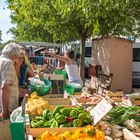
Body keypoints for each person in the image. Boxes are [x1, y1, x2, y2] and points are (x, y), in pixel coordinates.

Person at [0, 43, 20, 119]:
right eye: (17, 57)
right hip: (7, 107)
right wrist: (4, 111)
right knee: (6, 130)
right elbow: (5, 87)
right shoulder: (8, 63)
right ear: (14, 55)